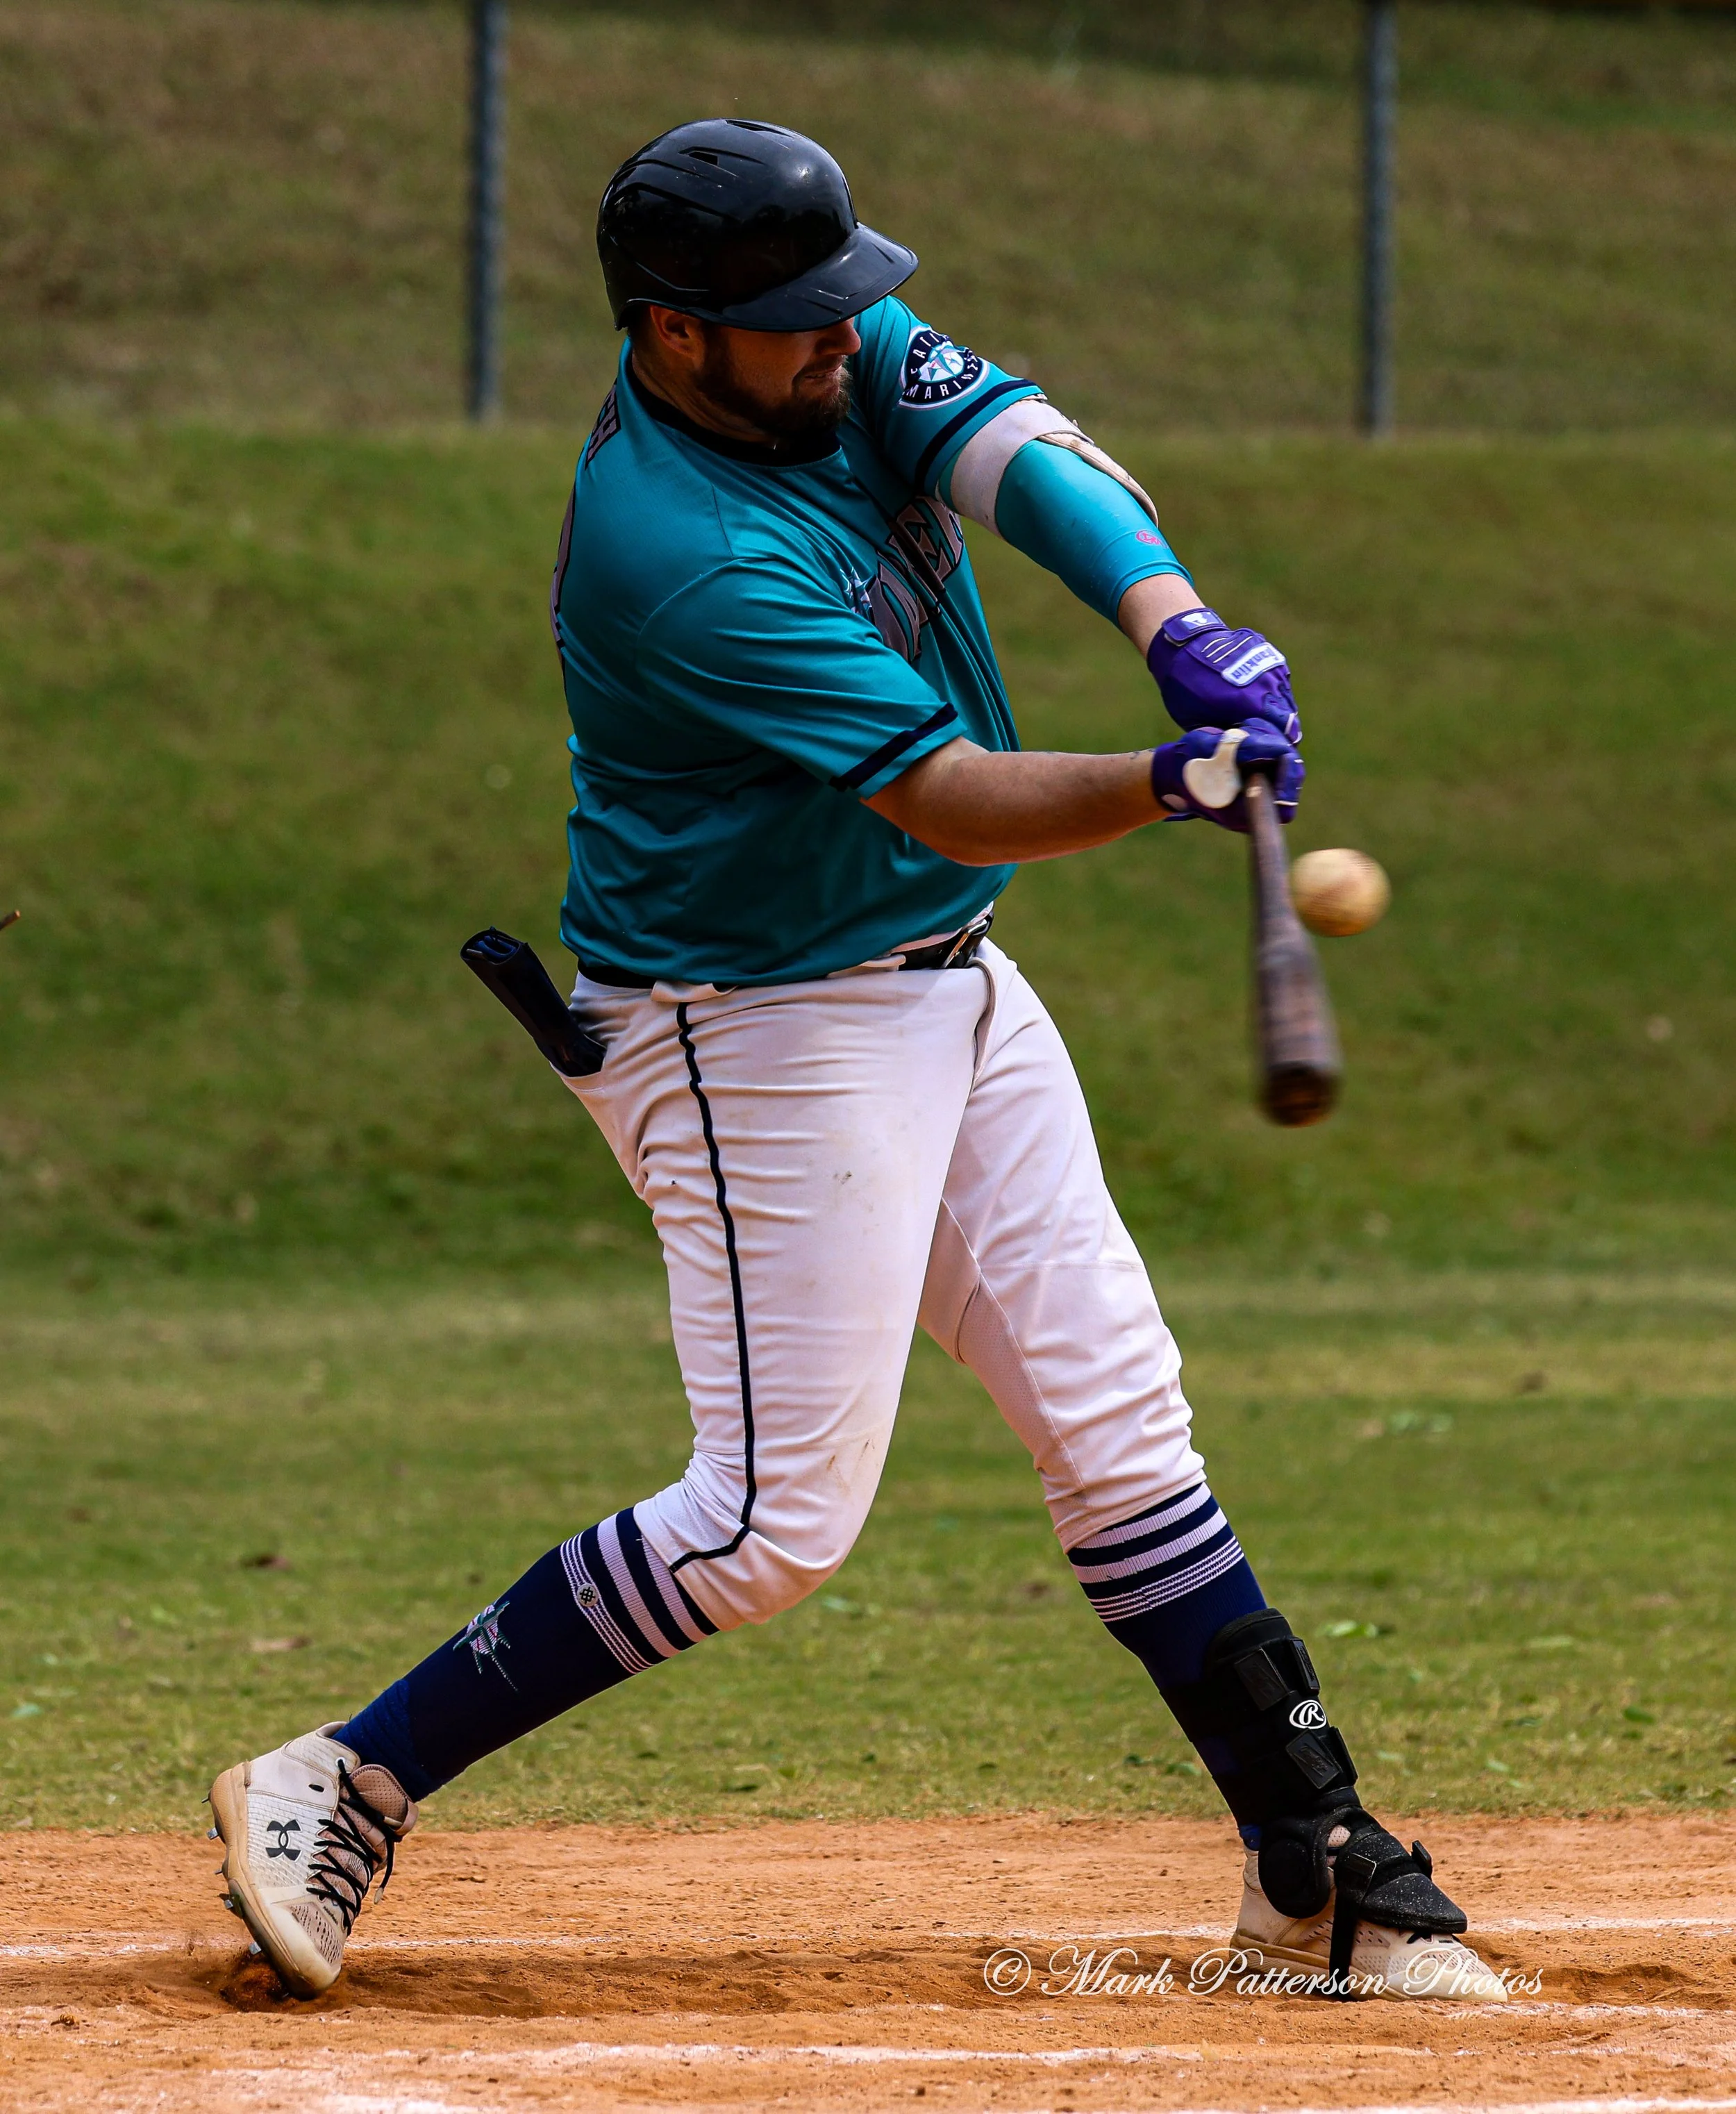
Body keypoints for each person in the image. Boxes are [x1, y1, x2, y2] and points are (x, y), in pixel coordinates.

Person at [209, 120, 1505, 2007]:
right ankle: (346, 1772)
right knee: (763, 1522)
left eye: (847, 302)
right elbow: (954, 796)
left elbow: (1027, 458)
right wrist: (1169, 780)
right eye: (798, 320)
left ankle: (1317, 1868)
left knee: (1119, 1423)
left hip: (940, 991)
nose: (850, 337)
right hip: (753, 1031)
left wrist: (1180, 628)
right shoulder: (677, 550)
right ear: (671, 333)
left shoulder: (820, 348)